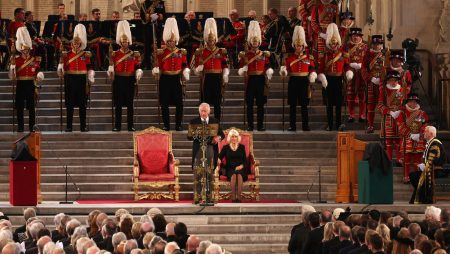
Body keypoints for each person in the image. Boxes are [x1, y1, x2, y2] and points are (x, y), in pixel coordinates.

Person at [152, 18, 189, 131]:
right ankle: (166, 125)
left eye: (172, 41)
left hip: (176, 78)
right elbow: (156, 65)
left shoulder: (181, 52)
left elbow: (185, 64)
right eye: (169, 41)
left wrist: (186, 71)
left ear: (175, 41)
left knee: (179, 103)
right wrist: (156, 70)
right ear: (166, 41)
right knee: (164, 103)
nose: (171, 42)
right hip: (165, 78)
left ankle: (178, 124)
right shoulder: (161, 52)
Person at [57, 24, 95, 132]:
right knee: (70, 104)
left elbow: (89, 67)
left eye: (78, 43)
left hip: (82, 80)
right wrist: (60, 68)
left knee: (82, 104)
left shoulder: (85, 54)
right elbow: (62, 68)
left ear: (80, 44)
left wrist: (91, 75)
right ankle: (69, 126)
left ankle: (83, 126)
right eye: (74, 43)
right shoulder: (66, 55)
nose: (76, 45)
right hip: (70, 80)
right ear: (71, 44)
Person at [238, 20, 274, 131]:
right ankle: (250, 125)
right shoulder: (246, 54)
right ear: (250, 42)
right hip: (250, 80)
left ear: (259, 42)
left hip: (260, 79)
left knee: (260, 104)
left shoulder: (263, 54)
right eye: (253, 41)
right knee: (249, 104)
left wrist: (269, 71)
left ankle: (260, 125)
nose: (255, 43)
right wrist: (243, 68)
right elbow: (241, 67)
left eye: (256, 41)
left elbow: (267, 65)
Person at [107, 20, 143, 132]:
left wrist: (138, 73)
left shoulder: (134, 54)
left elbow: (137, 67)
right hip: (118, 79)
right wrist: (111, 71)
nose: (125, 44)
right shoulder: (115, 54)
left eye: (127, 42)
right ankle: (117, 125)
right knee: (118, 104)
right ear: (120, 43)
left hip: (130, 79)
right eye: (123, 42)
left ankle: (130, 125)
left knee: (129, 104)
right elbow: (111, 66)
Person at [280, 25, 317, 131]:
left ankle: (305, 126)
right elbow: (286, 68)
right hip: (293, 81)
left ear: (303, 46)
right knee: (292, 106)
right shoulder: (289, 58)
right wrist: (284, 71)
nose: (299, 47)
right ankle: (292, 126)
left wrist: (312, 75)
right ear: (294, 46)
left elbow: (312, 68)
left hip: (304, 81)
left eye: (300, 46)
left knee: (304, 105)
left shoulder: (309, 58)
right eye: (297, 45)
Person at [317, 23, 353, 131]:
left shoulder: (342, 55)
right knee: (329, 104)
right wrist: (322, 77)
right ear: (329, 43)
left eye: (335, 43)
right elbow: (321, 69)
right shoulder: (325, 55)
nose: (334, 45)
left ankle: (338, 124)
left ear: (338, 43)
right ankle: (330, 124)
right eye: (332, 44)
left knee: (338, 104)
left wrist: (348, 73)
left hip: (339, 80)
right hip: (328, 80)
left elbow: (347, 66)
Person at [193, 18, 230, 120]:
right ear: (206, 40)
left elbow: (225, 64)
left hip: (218, 77)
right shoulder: (201, 51)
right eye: (209, 40)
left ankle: (217, 121)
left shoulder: (221, 51)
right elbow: (195, 66)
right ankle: (205, 120)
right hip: (207, 77)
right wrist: (199, 69)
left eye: (212, 40)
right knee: (206, 101)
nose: (211, 42)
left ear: (215, 40)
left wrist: (225, 74)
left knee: (218, 101)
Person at [9, 27, 44, 132]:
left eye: (27, 49)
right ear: (21, 49)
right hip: (20, 84)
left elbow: (38, 70)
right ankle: (20, 127)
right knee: (19, 107)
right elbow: (12, 75)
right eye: (23, 49)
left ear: (29, 49)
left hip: (30, 84)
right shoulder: (16, 60)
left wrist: (39, 75)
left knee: (31, 107)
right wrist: (12, 66)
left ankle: (31, 127)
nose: (25, 50)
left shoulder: (34, 59)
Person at [189, 103, 224, 204]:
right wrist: (195, 134)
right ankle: (197, 197)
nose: (203, 113)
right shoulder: (194, 121)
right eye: (202, 111)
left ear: (209, 111)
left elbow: (222, 134)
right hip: (198, 149)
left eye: (205, 111)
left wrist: (218, 138)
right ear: (199, 112)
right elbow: (189, 136)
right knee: (197, 174)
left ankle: (209, 197)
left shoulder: (215, 121)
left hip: (211, 149)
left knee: (210, 174)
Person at [410, 126, 447, 204]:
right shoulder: (430, 143)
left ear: (431, 133)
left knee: (415, 176)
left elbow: (432, 160)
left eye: (426, 131)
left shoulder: (435, 143)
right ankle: (422, 197)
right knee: (413, 175)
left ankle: (426, 198)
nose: (424, 133)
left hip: (436, 170)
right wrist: (422, 165)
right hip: (430, 168)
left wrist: (424, 166)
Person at [396, 93, 428, 183]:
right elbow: (401, 126)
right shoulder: (403, 113)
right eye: (410, 102)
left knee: (417, 158)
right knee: (406, 158)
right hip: (407, 138)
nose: (412, 104)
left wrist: (420, 134)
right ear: (408, 102)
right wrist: (410, 134)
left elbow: (425, 124)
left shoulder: (421, 113)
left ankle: (417, 176)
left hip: (419, 138)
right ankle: (406, 176)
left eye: (414, 102)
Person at [377, 70, 406, 162]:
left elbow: (405, 104)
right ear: (388, 81)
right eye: (391, 80)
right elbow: (380, 105)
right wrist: (389, 112)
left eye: (395, 80)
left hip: (399, 117)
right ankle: (388, 160)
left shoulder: (402, 90)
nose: (393, 82)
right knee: (389, 140)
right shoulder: (384, 90)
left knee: (398, 140)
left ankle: (398, 159)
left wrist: (400, 111)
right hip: (388, 117)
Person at [361, 35, 385, 133]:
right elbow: (363, 69)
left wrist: (384, 80)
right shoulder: (368, 54)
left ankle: (384, 126)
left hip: (382, 84)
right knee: (370, 105)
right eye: (375, 44)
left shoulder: (385, 54)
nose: (377, 46)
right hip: (372, 82)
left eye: (379, 44)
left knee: (383, 105)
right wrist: (370, 78)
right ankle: (370, 125)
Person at [217, 129, 248, 202]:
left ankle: (239, 197)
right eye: (232, 136)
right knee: (234, 175)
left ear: (238, 138)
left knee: (239, 175)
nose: (234, 138)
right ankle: (234, 197)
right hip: (230, 168)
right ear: (229, 138)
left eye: (235, 136)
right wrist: (218, 160)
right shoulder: (226, 147)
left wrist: (241, 166)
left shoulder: (242, 147)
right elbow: (219, 157)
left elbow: (245, 161)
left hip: (241, 168)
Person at [344, 27, 367, 123]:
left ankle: (362, 115)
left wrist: (362, 66)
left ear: (360, 37)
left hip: (361, 73)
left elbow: (368, 60)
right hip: (351, 73)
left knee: (362, 95)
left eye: (357, 36)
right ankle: (351, 115)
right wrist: (349, 65)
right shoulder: (346, 46)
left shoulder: (365, 46)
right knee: (350, 95)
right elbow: (344, 60)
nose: (356, 38)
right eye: (354, 36)